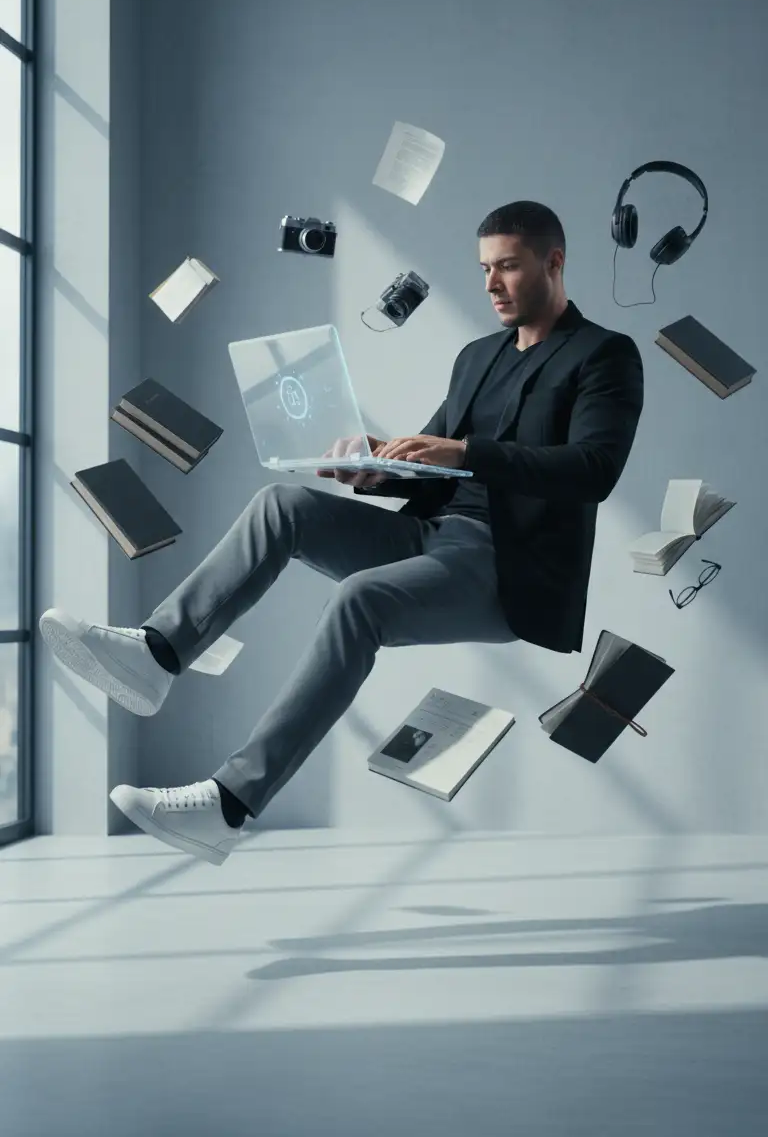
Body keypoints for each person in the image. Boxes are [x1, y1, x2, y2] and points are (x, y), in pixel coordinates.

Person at [38, 201, 644, 866]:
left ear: (554, 263)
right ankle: (156, 654)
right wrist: (372, 467)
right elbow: (426, 462)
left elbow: (595, 469)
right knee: (282, 505)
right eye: (483, 269)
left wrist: (466, 451)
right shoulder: (477, 357)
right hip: (434, 534)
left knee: (360, 599)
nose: (491, 285)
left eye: (507, 267)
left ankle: (230, 803)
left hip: (507, 565)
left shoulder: (604, 355)